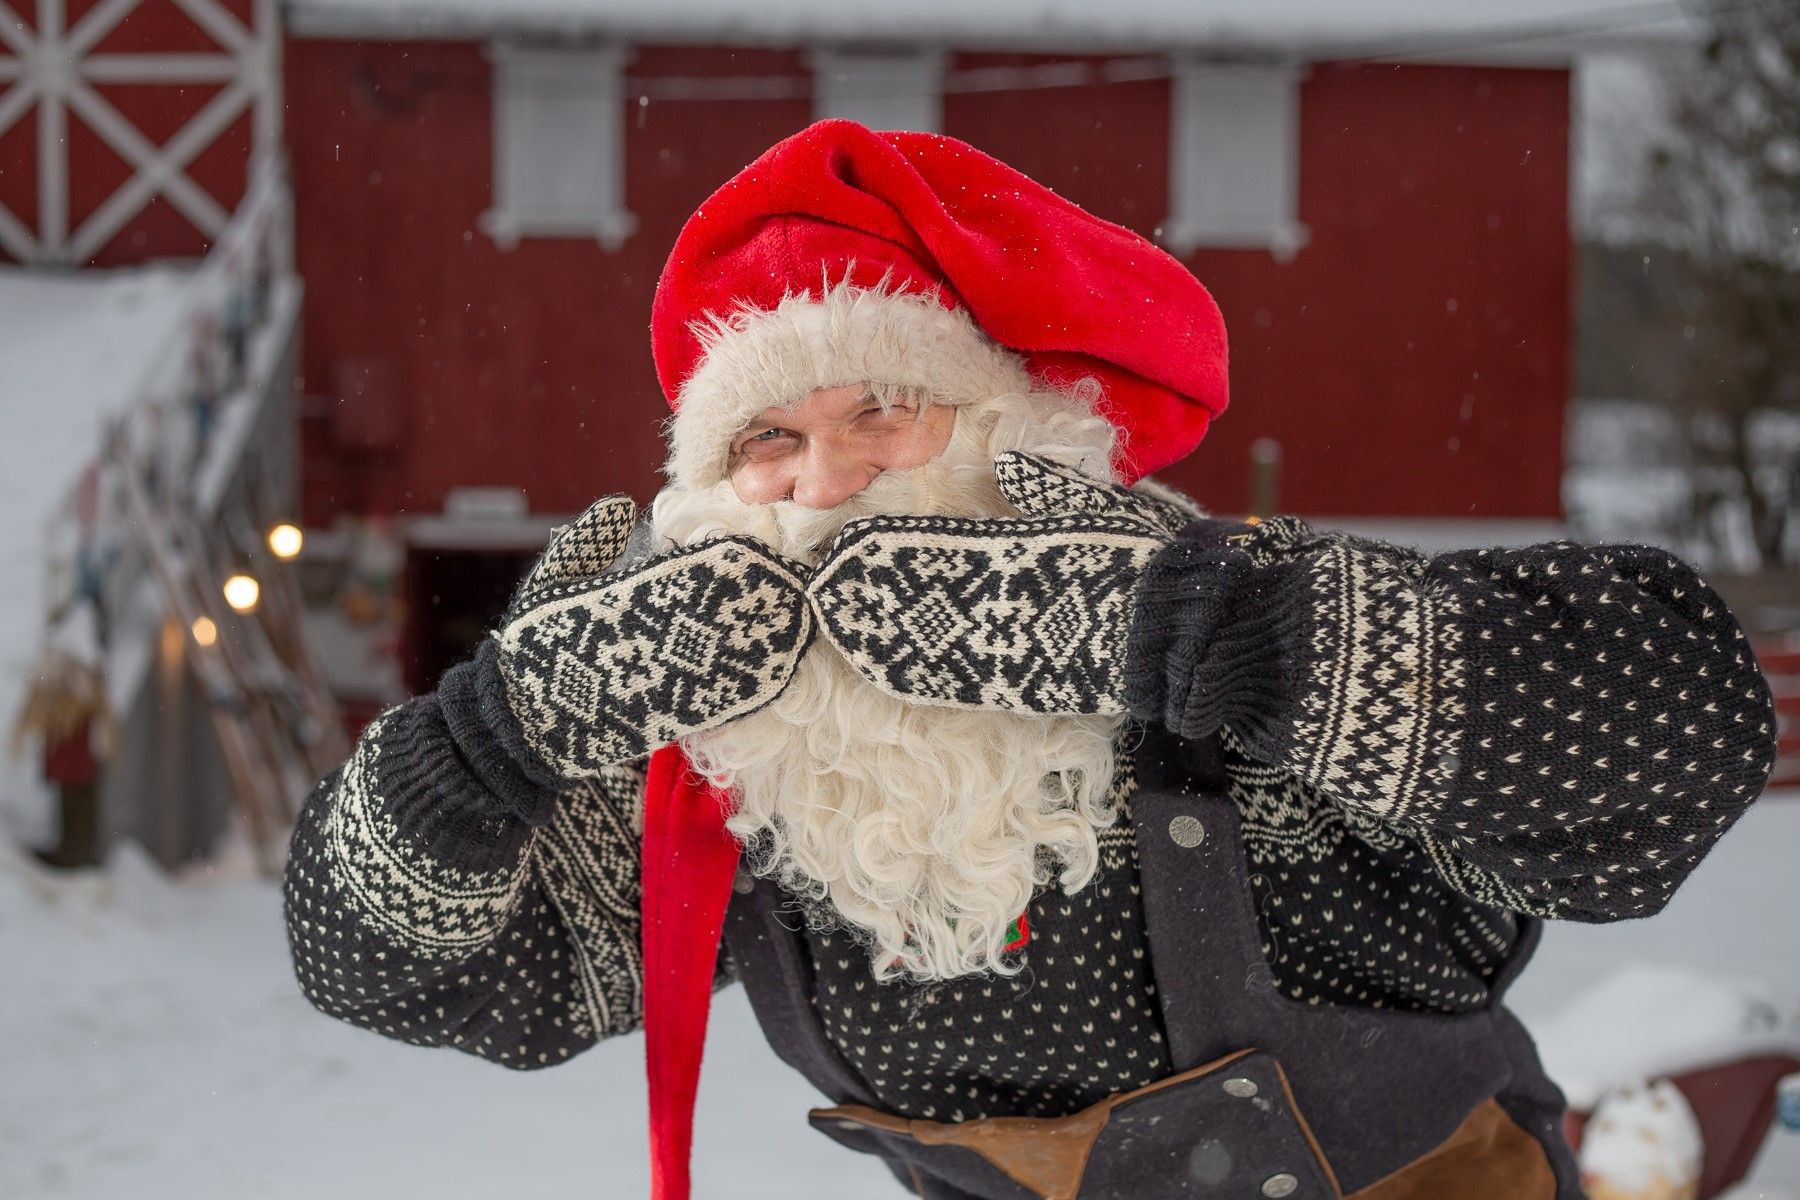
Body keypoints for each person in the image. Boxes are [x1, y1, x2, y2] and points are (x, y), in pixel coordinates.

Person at [282, 120, 1780, 1200]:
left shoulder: (1240, 634)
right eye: (771, 439)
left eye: (888, 413)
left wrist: (1199, 633)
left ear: (1019, 437)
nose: (831, 482)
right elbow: (380, 972)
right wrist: (495, 734)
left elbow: (1682, 734)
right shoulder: (730, 781)